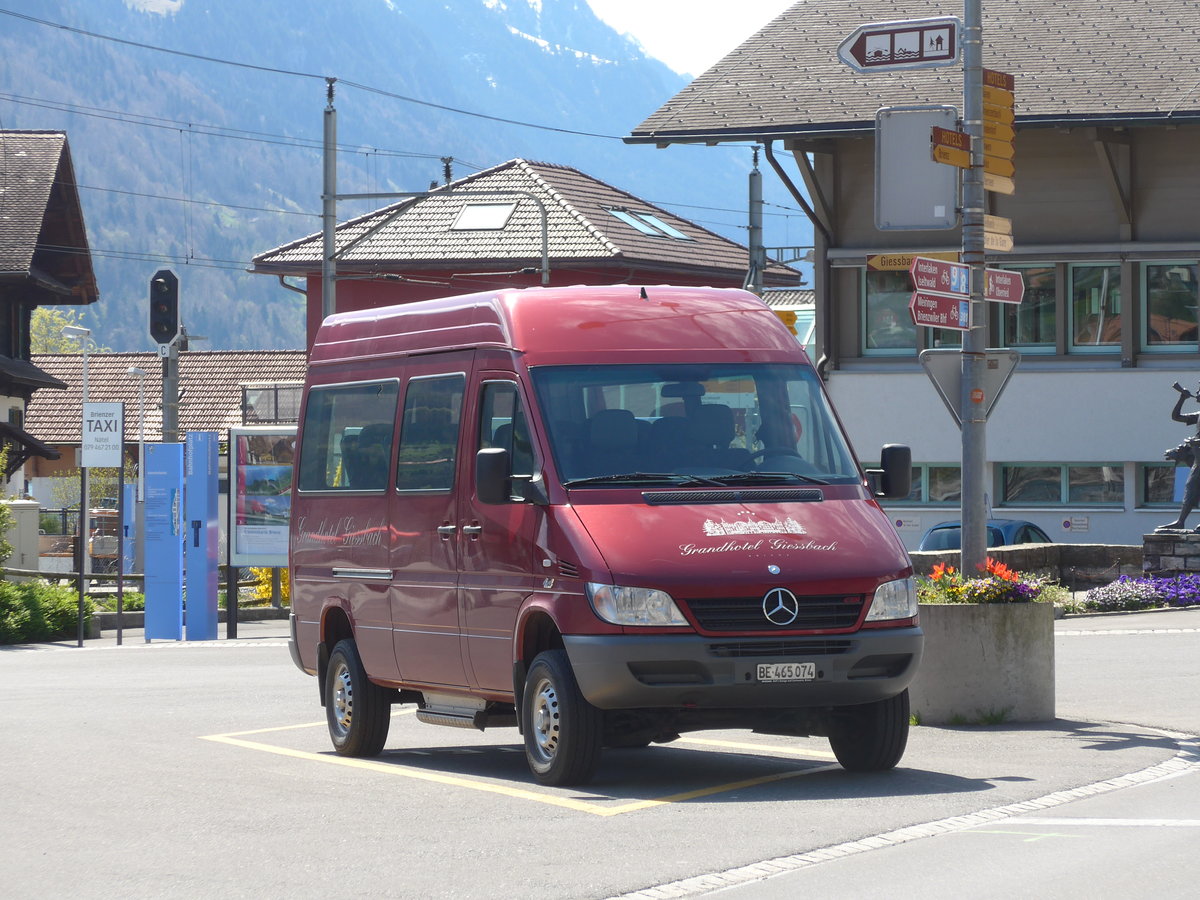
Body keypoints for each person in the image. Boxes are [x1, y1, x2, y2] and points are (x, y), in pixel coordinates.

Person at [1158, 381, 1200, 531]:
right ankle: (1180, 521)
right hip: (1198, 459)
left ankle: (1181, 521)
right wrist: (1182, 398)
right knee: (1192, 488)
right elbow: (1176, 417)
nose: (1197, 393)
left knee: (1192, 487)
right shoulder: (1199, 415)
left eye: (1199, 391)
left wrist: (1195, 441)